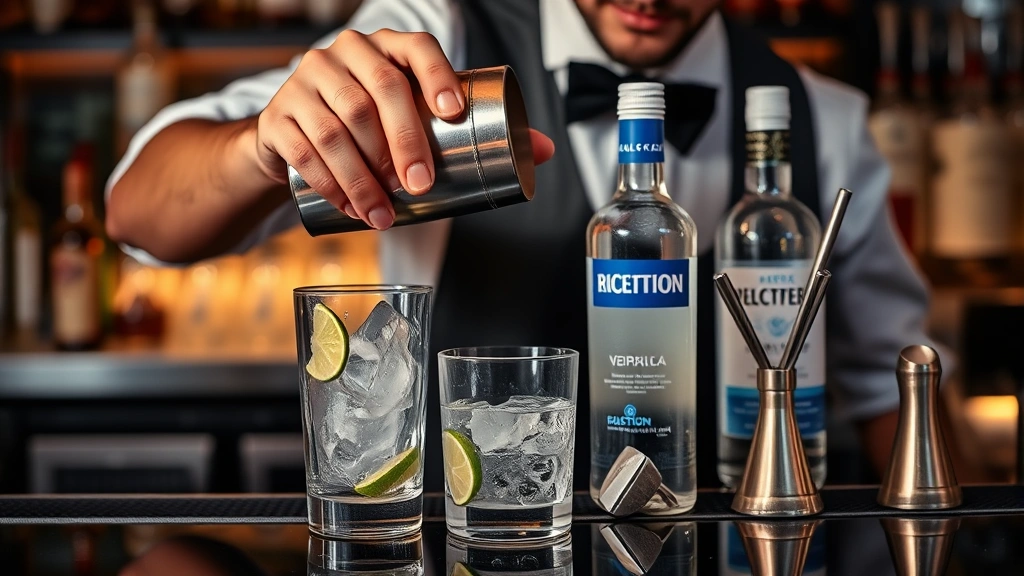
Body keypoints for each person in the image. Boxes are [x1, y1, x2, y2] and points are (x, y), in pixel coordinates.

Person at [105, 0, 956, 491]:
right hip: (470, 537)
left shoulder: (822, 118)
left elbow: (895, 387)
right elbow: (138, 213)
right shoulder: (438, 28)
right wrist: (263, 145)